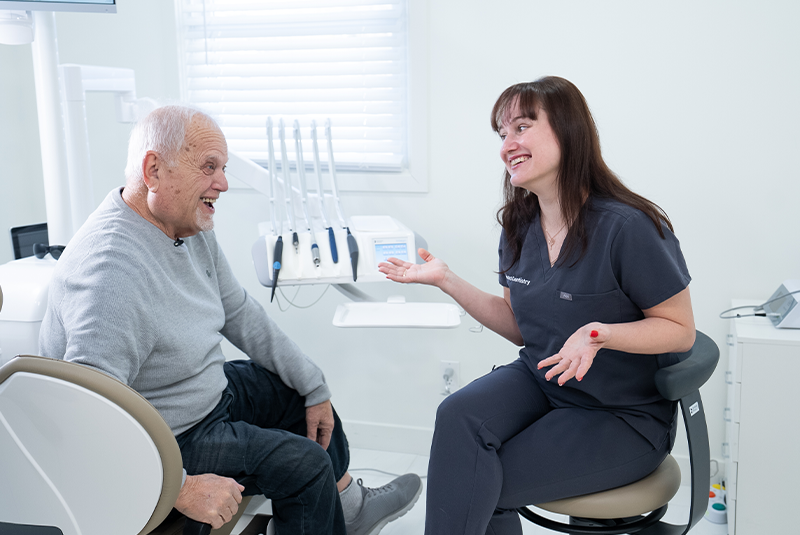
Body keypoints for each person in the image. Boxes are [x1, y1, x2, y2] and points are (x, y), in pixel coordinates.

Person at [39, 105, 421, 535]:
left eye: (222, 167)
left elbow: (237, 310)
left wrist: (314, 385)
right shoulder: (111, 270)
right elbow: (91, 414)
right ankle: (328, 508)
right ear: (153, 170)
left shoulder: (183, 227)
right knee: (306, 466)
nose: (222, 183)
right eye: (209, 167)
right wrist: (178, 488)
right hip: (171, 436)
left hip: (201, 392)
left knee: (296, 393)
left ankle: (347, 509)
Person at [379, 76, 695, 535]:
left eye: (522, 127)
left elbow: (679, 329)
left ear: (567, 132)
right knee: (457, 416)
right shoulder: (519, 225)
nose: (508, 144)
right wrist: (446, 280)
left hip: (620, 413)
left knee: (485, 481)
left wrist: (600, 334)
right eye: (502, 133)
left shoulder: (629, 227)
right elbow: (521, 328)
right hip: (543, 377)